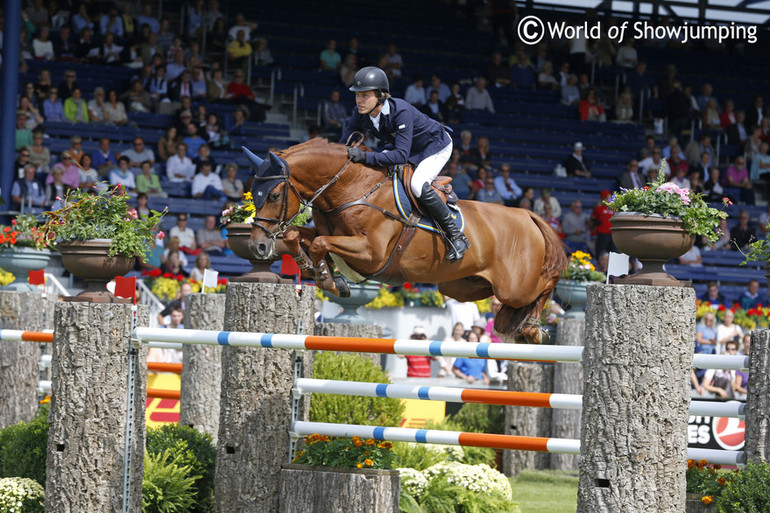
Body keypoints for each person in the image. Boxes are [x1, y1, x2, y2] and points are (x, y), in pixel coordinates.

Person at [340, 66, 469, 262]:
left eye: (365, 95)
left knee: (417, 185)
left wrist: (365, 157)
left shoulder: (401, 111)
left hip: (434, 146)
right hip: (405, 147)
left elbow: (400, 155)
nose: (359, 100)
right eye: (357, 95)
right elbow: (345, 142)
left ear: (381, 96)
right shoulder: (360, 112)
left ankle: (456, 236)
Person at [590, 190, 615, 256]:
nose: (609, 199)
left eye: (610, 197)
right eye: (607, 198)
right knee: (600, 252)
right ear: (603, 199)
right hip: (602, 234)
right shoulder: (599, 208)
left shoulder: (615, 208)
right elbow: (593, 219)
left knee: (614, 253)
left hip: (613, 234)